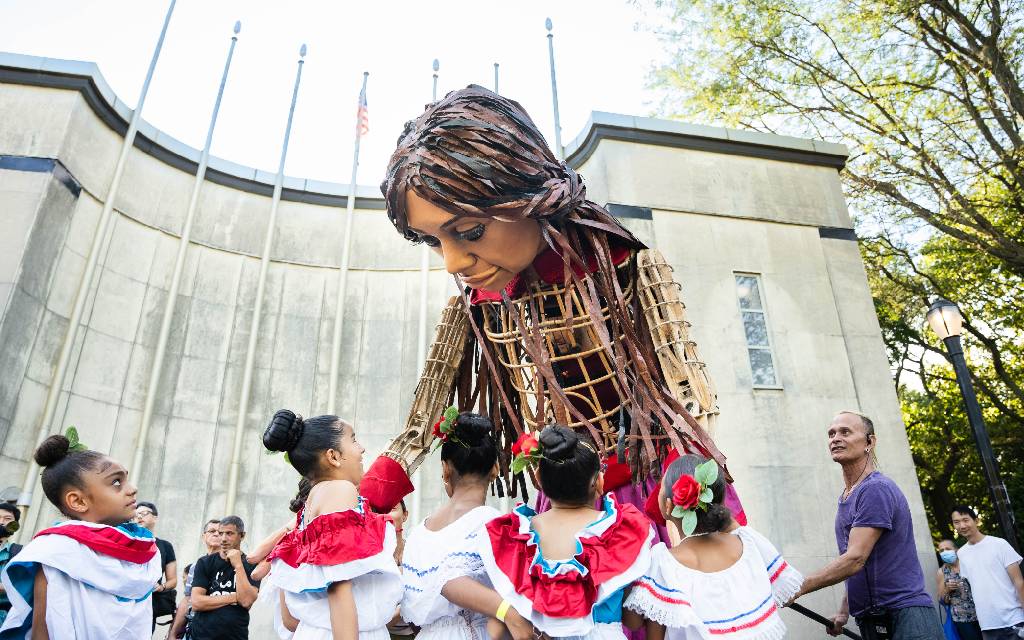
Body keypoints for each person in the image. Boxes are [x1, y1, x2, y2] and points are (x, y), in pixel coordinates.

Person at [364, 84, 745, 530]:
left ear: (529, 194)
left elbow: (690, 395)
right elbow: (422, 421)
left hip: (658, 491)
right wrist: (364, 502)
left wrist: (685, 492)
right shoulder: (476, 306)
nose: (452, 262)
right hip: (563, 503)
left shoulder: (628, 266)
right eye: (433, 241)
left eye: (469, 232)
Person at [443, 425, 654, 639]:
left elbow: (495, 629)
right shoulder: (619, 532)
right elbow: (633, 620)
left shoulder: (515, 539)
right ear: (599, 482)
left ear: (539, 479)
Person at [792, 411, 942, 640]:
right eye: (831, 434)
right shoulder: (847, 496)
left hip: (906, 616)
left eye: (845, 432)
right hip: (872, 619)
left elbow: (855, 559)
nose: (835, 438)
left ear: (870, 442)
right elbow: (859, 564)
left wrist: (797, 587)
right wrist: (843, 613)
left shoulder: (875, 489)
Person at [0, 430, 161, 638]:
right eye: (116, 482)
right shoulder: (55, 552)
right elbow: (43, 631)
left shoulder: (141, 551)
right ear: (78, 501)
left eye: (126, 479)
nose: (132, 489)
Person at [623, 454, 802, 638]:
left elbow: (633, 621)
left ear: (668, 506)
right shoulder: (748, 542)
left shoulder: (662, 562)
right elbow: (787, 592)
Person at [261, 409, 403, 639]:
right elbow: (339, 584)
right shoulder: (340, 489)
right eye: (354, 439)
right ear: (333, 456)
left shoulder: (317, 498)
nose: (362, 448)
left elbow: (290, 619)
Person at [400, 409, 529, 639]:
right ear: (495, 469)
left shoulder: (418, 533)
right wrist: (508, 613)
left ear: (446, 469)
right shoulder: (493, 524)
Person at [951, 505, 1024, 640]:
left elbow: (1018, 581)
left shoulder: (999, 544)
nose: (962, 525)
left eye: (965, 520)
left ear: (976, 521)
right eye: (957, 522)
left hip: (1014, 619)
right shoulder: (961, 553)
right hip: (987, 625)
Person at [188, 515, 261, 640]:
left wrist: (238, 564)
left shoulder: (252, 564)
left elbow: (246, 601)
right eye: (221, 533)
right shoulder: (205, 562)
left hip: (235, 635)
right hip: (202, 635)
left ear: (242, 536)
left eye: (229, 533)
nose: (223, 539)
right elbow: (196, 602)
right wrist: (235, 597)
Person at [167, 519, 221, 639]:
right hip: (195, 628)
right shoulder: (196, 566)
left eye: (220, 532)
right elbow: (187, 599)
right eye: (212, 531)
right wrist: (173, 633)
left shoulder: (231, 564)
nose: (216, 534)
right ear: (204, 536)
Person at [135, 500, 178, 629]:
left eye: (144, 513)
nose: (139, 517)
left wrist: (162, 587)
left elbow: (173, 580)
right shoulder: (127, 540)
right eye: (136, 514)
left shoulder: (165, 546)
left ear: (155, 517)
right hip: (124, 601)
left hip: (149, 604)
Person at [936, 538, 983, 640]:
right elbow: (941, 600)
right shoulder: (942, 572)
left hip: (983, 613)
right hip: (962, 619)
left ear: (956, 550)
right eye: (941, 551)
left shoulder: (968, 564)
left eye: (947, 549)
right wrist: (947, 590)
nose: (944, 552)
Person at [0, 503, 23, 627]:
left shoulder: (20, 553)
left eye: (7, 519)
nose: (1, 522)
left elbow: (21, 585)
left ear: (14, 526)